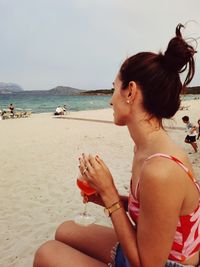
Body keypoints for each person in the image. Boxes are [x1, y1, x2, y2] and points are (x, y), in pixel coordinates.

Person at [33, 24, 200, 267]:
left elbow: (148, 265)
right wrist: (102, 196)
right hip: (149, 249)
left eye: (114, 88)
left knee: (46, 254)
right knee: (65, 230)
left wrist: (110, 193)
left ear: (130, 91)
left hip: (162, 263)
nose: (111, 99)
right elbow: (149, 212)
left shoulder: (161, 170)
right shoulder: (143, 148)